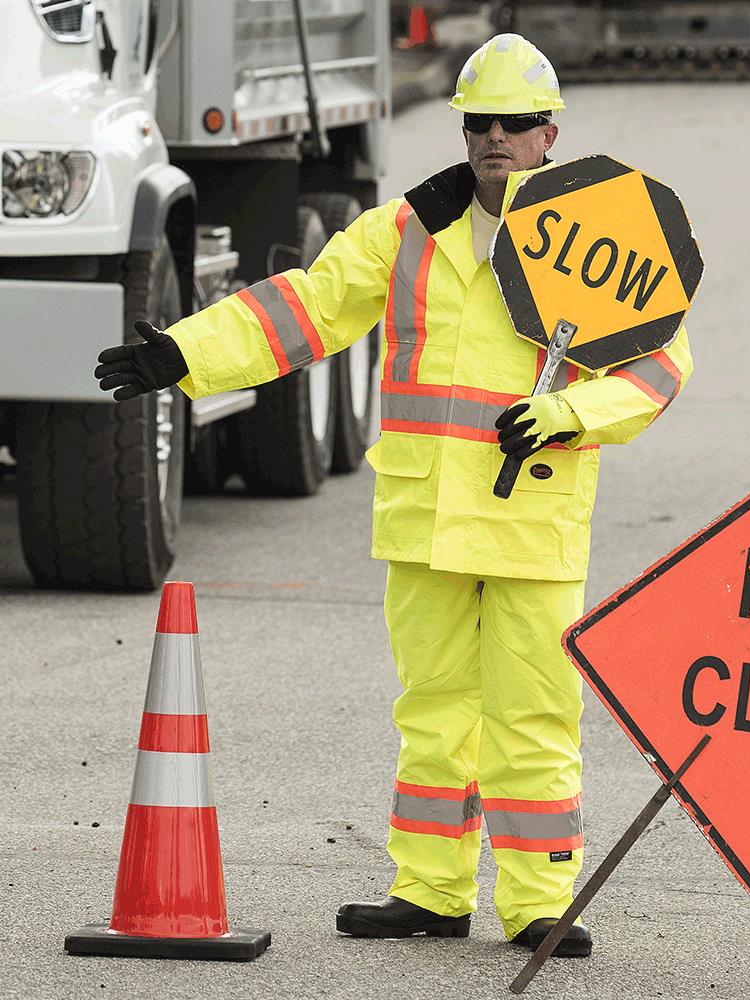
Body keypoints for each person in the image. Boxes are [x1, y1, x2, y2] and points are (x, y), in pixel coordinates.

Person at [93, 33, 693, 957]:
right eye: (480, 122)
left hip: (529, 517)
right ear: (464, 130)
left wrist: (571, 412)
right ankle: (430, 891)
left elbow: (661, 365)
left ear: (550, 133)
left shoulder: (599, 235)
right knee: (433, 713)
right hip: (427, 517)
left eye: (516, 123)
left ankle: (539, 904)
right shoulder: (410, 228)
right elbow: (309, 305)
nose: (496, 138)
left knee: (533, 717)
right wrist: (185, 353)